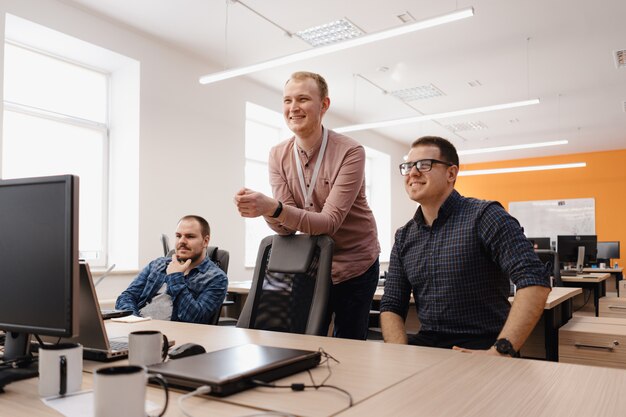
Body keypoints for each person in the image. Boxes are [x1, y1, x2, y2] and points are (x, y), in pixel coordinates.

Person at [234, 71, 380, 340]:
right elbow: (287, 229)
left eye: (303, 99)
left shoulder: (350, 152)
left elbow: (328, 222)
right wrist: (269, 210)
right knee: (304, 339)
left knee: (348, 344)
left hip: (355, 262)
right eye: (287, 100)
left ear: (324, 105)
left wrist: (272, 207)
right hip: (313, 262)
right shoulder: (277, 154)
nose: (293, 108)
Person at [380, 136, 551, 356]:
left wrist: (500, 352)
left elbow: (534, 279)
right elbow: (392, 304)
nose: (413, 172)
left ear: (451, 173)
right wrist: (399, 355)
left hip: (484, 347)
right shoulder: (404, 236)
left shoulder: (485, 216)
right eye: (408, 166)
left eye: (424, 164)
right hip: (429, 348)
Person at [115, 215, 228, 324]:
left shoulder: (216, 278)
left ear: (205, 241)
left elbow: (194, 319)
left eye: (190, 236)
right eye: (178, 236)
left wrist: (175, 277)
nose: (181, 241)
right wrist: (136, 322)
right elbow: (126, 297)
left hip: (176, 337)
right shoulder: (158, 264)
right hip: (141, 331)